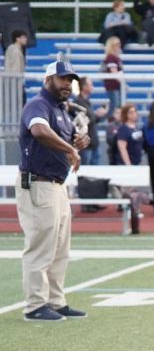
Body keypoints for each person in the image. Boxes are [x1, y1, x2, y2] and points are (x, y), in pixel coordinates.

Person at [16, 61, 90, 322]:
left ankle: (55, 301)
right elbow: (39, 131)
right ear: (48, 80)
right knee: (41, 246)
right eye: (62, 79)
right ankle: (35, 305)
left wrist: (81, 141)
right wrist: (71, 150)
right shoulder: (39, 105)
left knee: (60, 248)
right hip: (38, 182)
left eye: (70, 80)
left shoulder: (60, 110)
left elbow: (70, 140)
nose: (67, 84)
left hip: (57, 184)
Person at [73, 76, 106, 166]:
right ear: (84, 87)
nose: (92, 87)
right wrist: (97, 115)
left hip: (92, 143)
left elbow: (91, 120)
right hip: (86, 145)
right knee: (86, 172)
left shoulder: (86, 102)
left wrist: (98, 116)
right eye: (90, 84)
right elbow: (84, 122)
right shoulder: (78, 102)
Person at [101, 36, 122, 114]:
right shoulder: (111, 57)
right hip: (113, 86)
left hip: (115, 86)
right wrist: (123, 82)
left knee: (115, 107)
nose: (119, 47)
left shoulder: (114, 57)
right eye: (117, 45)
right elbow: (114, 72)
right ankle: (110, 123)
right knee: (115, 108)